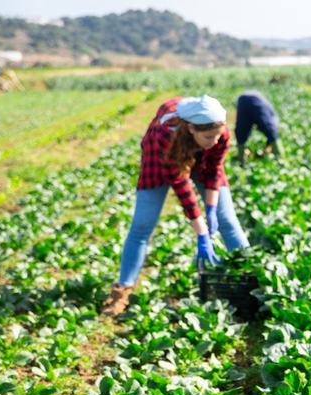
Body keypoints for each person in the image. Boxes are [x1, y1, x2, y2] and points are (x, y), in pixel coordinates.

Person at [102, 94, 249, 317]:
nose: (216, 141)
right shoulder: (165, 135)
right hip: (162, 156)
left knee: (227, 219)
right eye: (209, 136)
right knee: (142, 225)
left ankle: (251, 278)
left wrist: (210, 208)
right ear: (191, 128)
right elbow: (181, 186)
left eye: (218, 136)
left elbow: (214, 169)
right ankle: (122, 291)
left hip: (198, 155)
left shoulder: (220, 133)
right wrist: (202, 234)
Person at [234, 90, 283, 165]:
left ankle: (241, 159)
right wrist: (267, 147)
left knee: (241, 130)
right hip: (255, 99)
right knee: (271, 131)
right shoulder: (274, 119)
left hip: (242, 100)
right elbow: (271, 130)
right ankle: (280, 158)